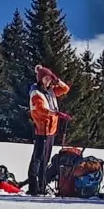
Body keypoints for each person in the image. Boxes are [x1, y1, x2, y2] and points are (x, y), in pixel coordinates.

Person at [25, 64, 71, 196]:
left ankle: (41, 185)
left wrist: (58, 80)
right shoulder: (36, 93)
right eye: (46, 78)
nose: (48, 81)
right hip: (42, 130)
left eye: (49, 78)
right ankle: (34, 186)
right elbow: (40, 110)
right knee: (38, 159)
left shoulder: (50, 91)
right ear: (40, 79)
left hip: (51, 130)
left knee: (45, 159)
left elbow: (65, 89)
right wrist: (57, 114)